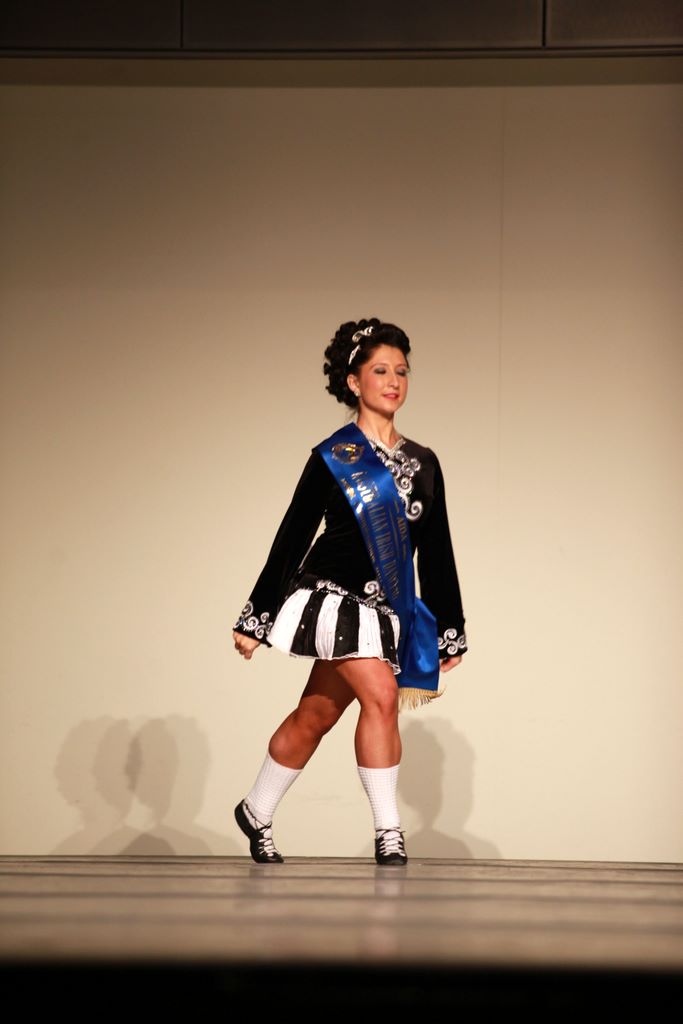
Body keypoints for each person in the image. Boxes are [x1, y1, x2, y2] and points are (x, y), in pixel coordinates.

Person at [231, 318, 467, 866]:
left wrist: (450, 628)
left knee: (315, 715)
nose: (394, 381)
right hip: (331, 595)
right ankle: (389, 830)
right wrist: (256, 616)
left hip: (384, 609)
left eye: (401, 371)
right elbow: (292, 536)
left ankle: (255, 809)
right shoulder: (332, 456)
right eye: (380, 371)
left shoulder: (424, 463)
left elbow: (436, 551)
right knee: (381, 695)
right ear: (354, 382)